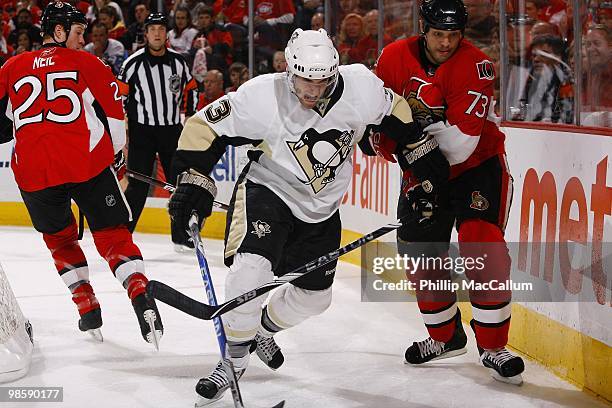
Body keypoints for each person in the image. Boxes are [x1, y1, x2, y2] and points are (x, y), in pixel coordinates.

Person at [167, 28, 447, 403]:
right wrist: (193, 180)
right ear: (288, 71)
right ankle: (232, 365)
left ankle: (262, 331)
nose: (312, 91)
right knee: (250, 273)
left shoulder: (360, 86)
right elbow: (203, 126)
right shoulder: (263, 94)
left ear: (335, 71)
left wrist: (418, 154)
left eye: (322, 81)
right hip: (269, 191)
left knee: (315, 299)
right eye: (304, 81)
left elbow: (395, 110)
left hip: (321, 209)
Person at [374, 0, 525, 385]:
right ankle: (445, 337)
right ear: (423, 28)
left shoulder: (475, 66)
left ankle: (493, 347)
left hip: (477, 167)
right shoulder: (393, 57)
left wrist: (405, 139)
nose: (445, 43)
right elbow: (374, 124)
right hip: (422, 167)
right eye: (438, 34)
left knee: (482, 244)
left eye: (453, 35)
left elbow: (458, 147)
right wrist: (397, 145)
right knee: (419, 251)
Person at [0, 2, 163, 347]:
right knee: (113, 235)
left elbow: (2, 128)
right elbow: (117, 117)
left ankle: (86, 305)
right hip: (85, 165)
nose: (81, 40)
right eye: (77, 33)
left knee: (60, 240)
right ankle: (138, 291)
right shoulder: (87, 62)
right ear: (59, 31)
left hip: (34, 174)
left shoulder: (11, 67)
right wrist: (116, 159)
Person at [118, 13, 198, 243]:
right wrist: (122, 129)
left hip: (171, 131)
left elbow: (192, 88)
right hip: (141, 131)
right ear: (146, 33)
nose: (156, 33)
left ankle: (180, 235)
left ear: (166, 34)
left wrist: (190, 118)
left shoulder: (178, 61)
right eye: (152, 29)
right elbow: (119, 97)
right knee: (138, 186)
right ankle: (124, 235)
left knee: (178, 185)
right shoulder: (132, 63)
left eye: (161, 29)